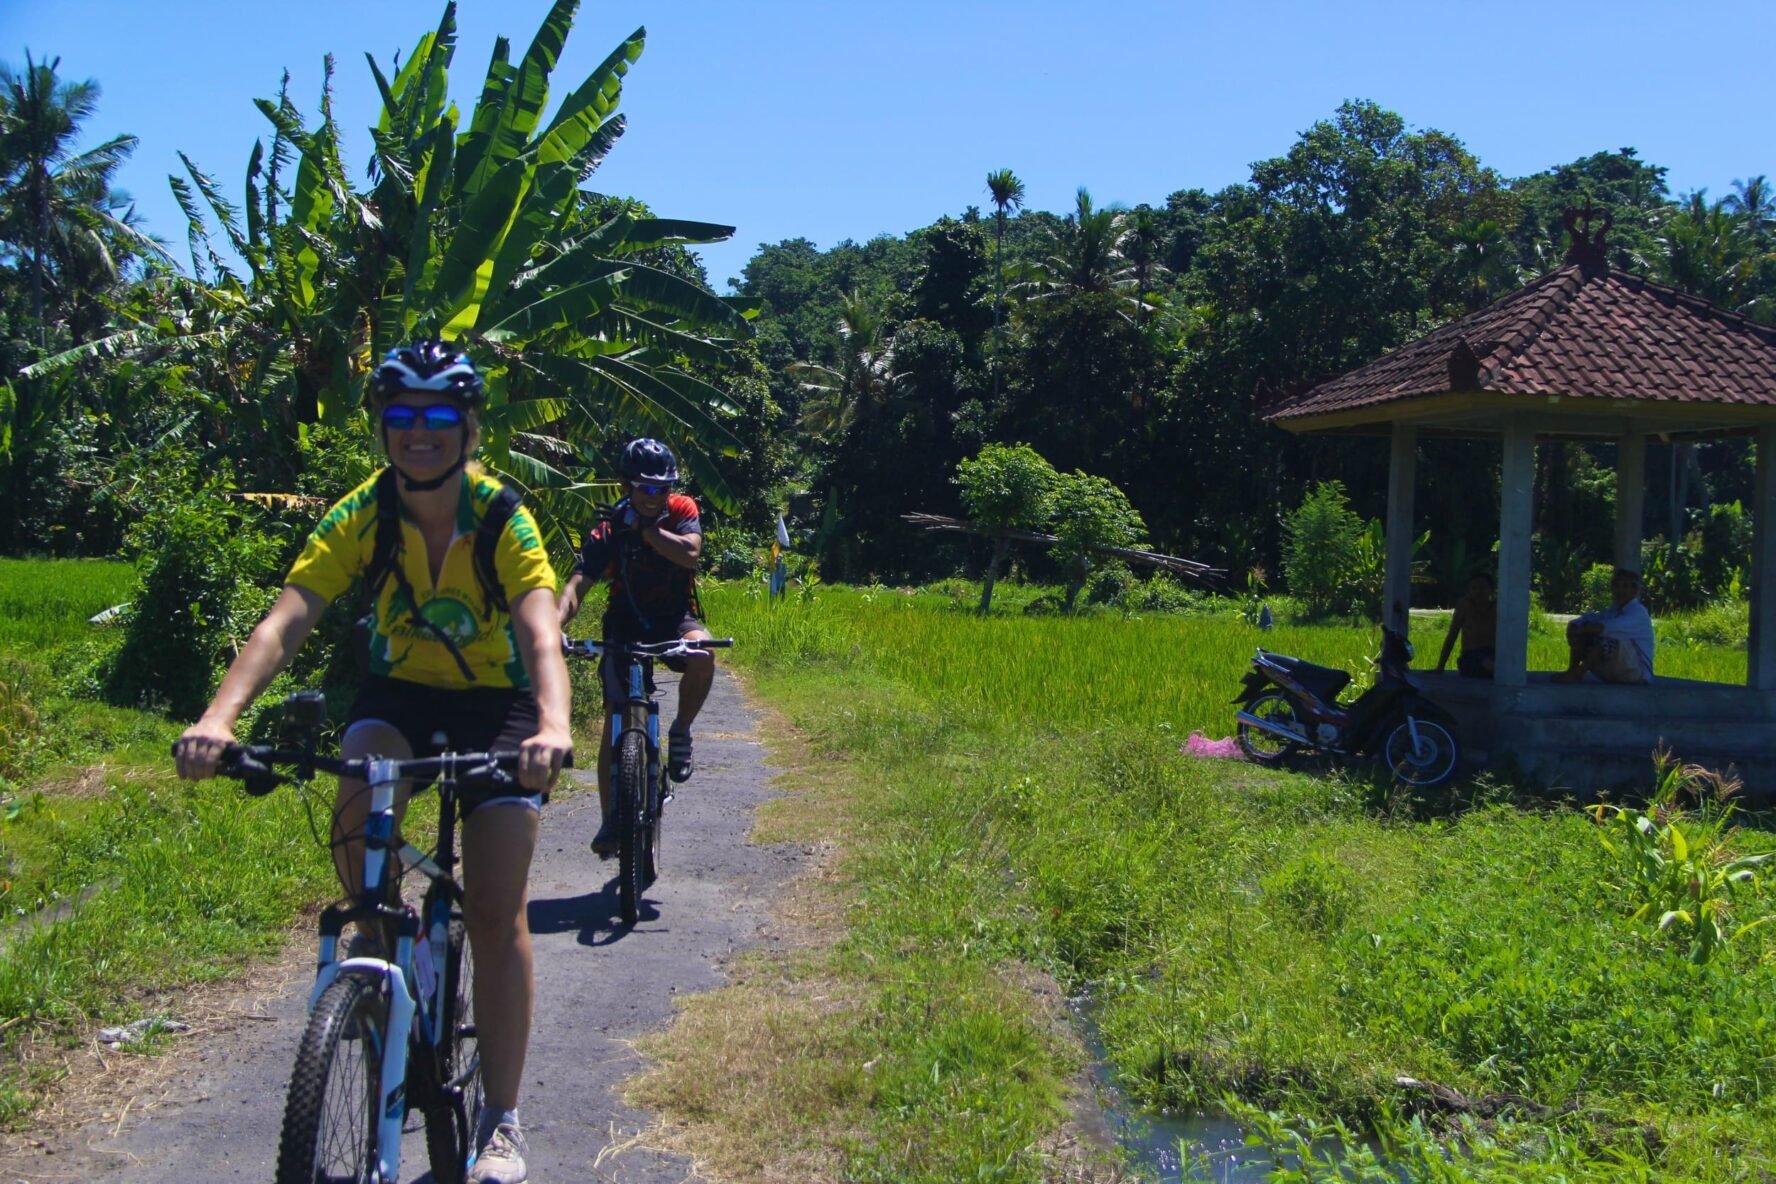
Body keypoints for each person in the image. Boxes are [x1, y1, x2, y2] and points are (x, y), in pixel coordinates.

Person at [173, 339, 571, 1184]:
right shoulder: (364, 512)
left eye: (439, 415)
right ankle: (381, 954)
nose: (419, 431)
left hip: (499, 706)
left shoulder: (501, 516)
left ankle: (501, 1119)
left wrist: (552, 724)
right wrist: (218, 718)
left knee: (495, 909)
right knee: (358, 789)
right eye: (402, 415)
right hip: (400, 697)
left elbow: (541, 632)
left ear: (468, 428)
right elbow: (287, 619)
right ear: (384, 426)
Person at [556, 437, 715, 857]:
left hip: (673, 616)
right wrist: (552, 627)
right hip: (624, 622)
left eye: (662, 487)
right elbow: (576, 586)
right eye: (645, 487)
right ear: (627, 485)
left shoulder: (681, 510)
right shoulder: (608, 529)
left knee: (703, 652)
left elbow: (690, 553)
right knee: (616, 716)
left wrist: (645, 530)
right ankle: (610, 820)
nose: (654, 495)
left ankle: (680, 730)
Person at [1555, 567, 1655, 685]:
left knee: (1607, 639)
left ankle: (1579, 673)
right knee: (1581, 631)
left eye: (1625, 586)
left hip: (1636, 673)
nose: (1620, 590)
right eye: (1617, 586)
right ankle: (1572, 671)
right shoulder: (1613, 611)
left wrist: (1583, 629)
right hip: (1616, 668)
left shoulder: (1638, 613)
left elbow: (1608, 627)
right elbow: (1591, 618)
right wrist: (1576, 625)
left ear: (1634, 590)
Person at [1434, 572, 1497, 679]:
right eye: (1474, 588)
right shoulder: (1464, 606)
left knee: (1498, 665)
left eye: (1482, 587)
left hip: (1492, 654)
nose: (1478, 591)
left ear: (1491, 589)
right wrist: (1440, 667)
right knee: (1487, 664)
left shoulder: (1498, 607)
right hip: (1470, 657)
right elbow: (1452, 636)